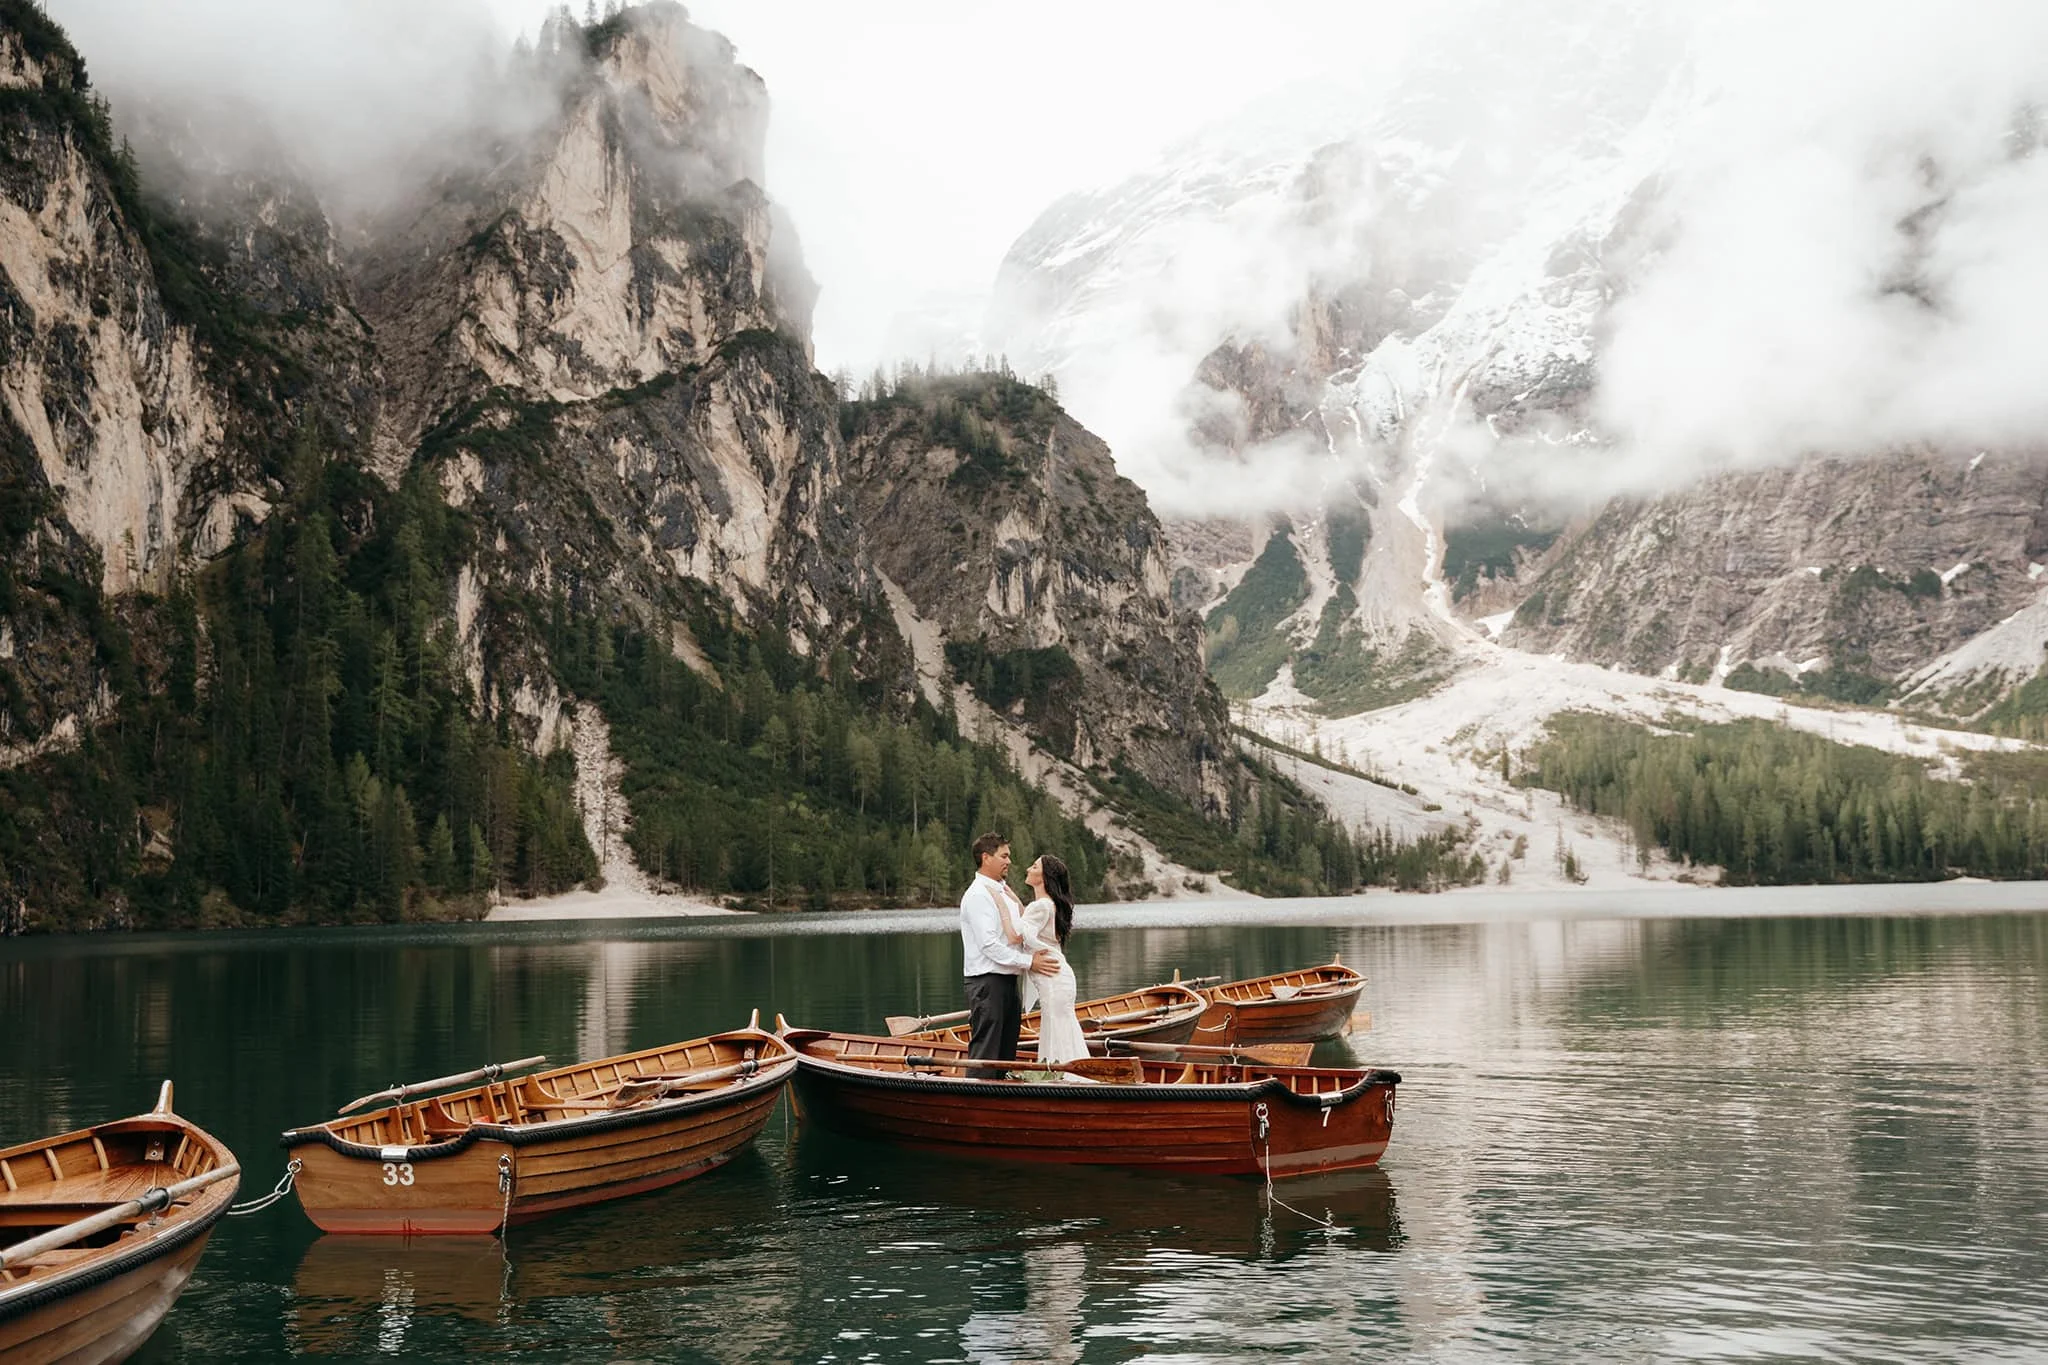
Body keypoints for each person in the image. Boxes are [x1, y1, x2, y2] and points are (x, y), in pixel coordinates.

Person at [959, 832, 1058, 1060]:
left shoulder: (1004, 892)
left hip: (1008, 981)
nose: (1009, 861)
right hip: (987, 982)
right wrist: (1030, 962)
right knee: (986, 1051)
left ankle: (1001, 1093)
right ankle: (977, 1094)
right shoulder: (978, 895)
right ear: (986, 858)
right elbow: (989, 945)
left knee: (1006, 1053)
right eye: (1004, 856)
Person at [1018, 854, 1087, 1066]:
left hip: (1053, 979)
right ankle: (1070, 1072)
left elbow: (1020, 935)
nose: (1028, 869)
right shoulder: (1049, 905)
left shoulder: (1040, 907)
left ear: (1044, 876)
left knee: (1056, 1028)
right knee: (1062, 1027)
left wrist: (1003, 913)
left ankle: (1062, 1074)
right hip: (1060, 976)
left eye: (1034, 866)